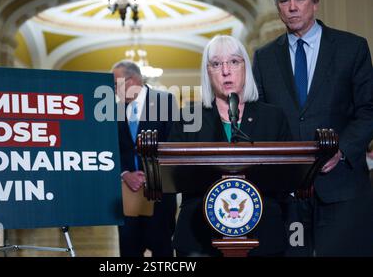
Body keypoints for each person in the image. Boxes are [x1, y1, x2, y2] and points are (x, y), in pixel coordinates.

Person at [252, 0, 373, 256]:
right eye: (284, 0)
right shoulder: (264, 57)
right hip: (288, 193)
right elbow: (260, 119)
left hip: (342, 187)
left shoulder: (351, 48)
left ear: (315, 3)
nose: (292, 6)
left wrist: (340, 150)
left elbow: (369, 110)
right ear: (278, 7)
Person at [168, 35, 292, 257]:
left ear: (246, 67)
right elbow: (172, 173)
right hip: (198, 235)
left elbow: (288, 177)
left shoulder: (273, 117)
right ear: (208, 72)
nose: (226, 70)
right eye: (216, 64)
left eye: (234, 62)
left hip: (263, 233)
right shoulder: (189, 117)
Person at [112, 60, 177, 257]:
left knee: (162, 251)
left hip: (160, 194)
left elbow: (173, 143)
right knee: (129, 251)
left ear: (131, 80)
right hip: (127, 195)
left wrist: (151, 174)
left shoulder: (165, 101)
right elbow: (112, 149)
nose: (113, 89)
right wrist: (125, 173)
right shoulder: (113, 109)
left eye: (115, 84)